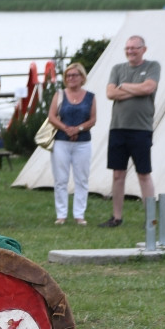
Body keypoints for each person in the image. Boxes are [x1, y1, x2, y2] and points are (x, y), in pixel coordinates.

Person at [100, 35, 160, 228]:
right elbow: (110, 93)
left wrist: (124, 87)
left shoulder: (152, 66)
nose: (130, 51)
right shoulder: (118, 69)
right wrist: (136, 89)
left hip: (141, 128)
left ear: (144, 49)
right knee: (118, 174)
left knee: (144, 173)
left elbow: (149, 88)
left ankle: (151, 218)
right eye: (128, 48)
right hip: (118, 127)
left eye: (134, 48)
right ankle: (116, 217)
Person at [46, 62, 96, 225]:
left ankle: (79, 214)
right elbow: (52, 116)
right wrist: (66, 128)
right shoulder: (59, 95)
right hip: (61, 141)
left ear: (82, 77)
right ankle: (61, 214)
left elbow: (93, 119)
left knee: (82, 178)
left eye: (75, 75)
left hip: (83, 142)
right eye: (68, 75)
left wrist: (78, 129)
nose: (71, 78)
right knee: (61, 179)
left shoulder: (90, 96)